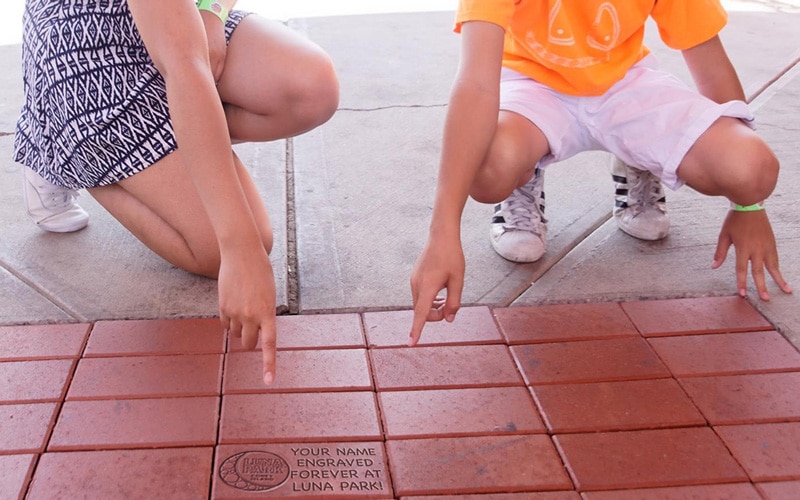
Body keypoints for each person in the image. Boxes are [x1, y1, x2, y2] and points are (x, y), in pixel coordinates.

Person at [409, 0, 792, 343]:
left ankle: (640, 155)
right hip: (531, 84)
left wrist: (749, 204)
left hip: (625, 83)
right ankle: (523, 174)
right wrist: (443, 232)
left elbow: (710, 64)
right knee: (485, 167)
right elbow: (476, 84)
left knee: (752, 168)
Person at [14, 0, 339, 384]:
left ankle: (177, 134)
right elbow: (185, 65)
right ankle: (59, 146)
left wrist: (213, 12)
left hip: (169, 17)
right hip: (82, 48)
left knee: (310, 87)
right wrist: (242, 248)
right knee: (222, 248)